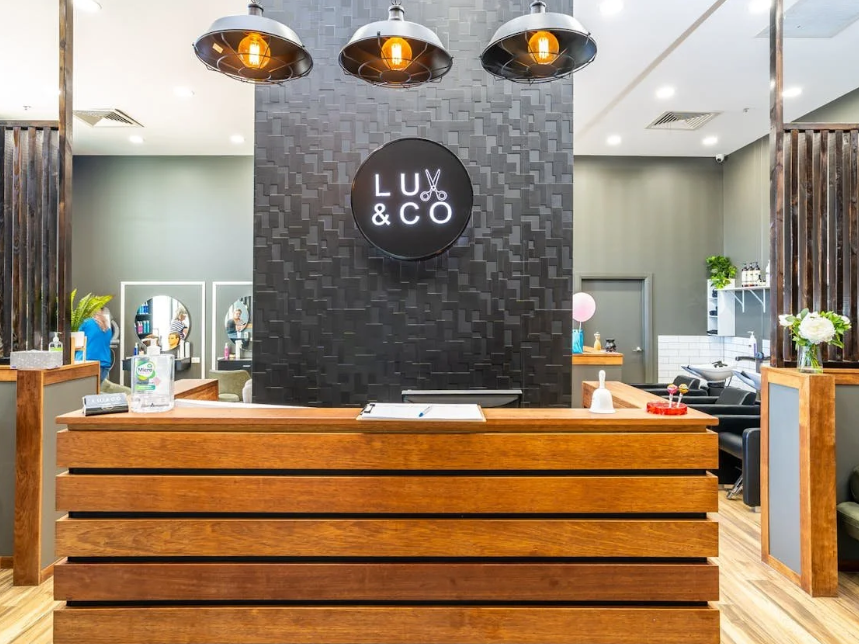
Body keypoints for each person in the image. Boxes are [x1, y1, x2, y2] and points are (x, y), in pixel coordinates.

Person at [81, 307, 113, 383]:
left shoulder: (86, 323)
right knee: (96, 391)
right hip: (104, 365)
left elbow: (74, 339)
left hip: (89, 364)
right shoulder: (107, 327)